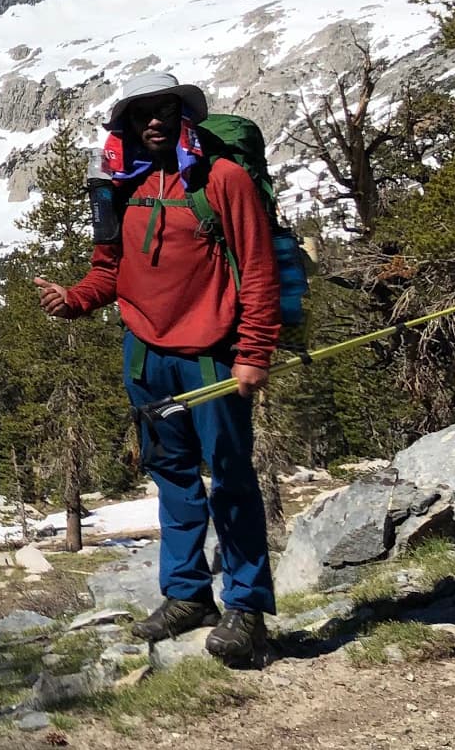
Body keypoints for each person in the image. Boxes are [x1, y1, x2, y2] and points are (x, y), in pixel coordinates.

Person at [33, 72, 279, 664]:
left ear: (182, 116)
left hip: (211, 355)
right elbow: (110, 269)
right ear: (125, 123)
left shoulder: (223, 180)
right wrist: (75, 298)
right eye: (142, 112)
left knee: (232, 478)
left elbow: (259, 267)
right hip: (145, 355)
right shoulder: (120, 186)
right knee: (171, 476)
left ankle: (247, 609)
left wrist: (254, 352)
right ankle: (187, 595)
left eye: (165, 110)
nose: (154, 121)